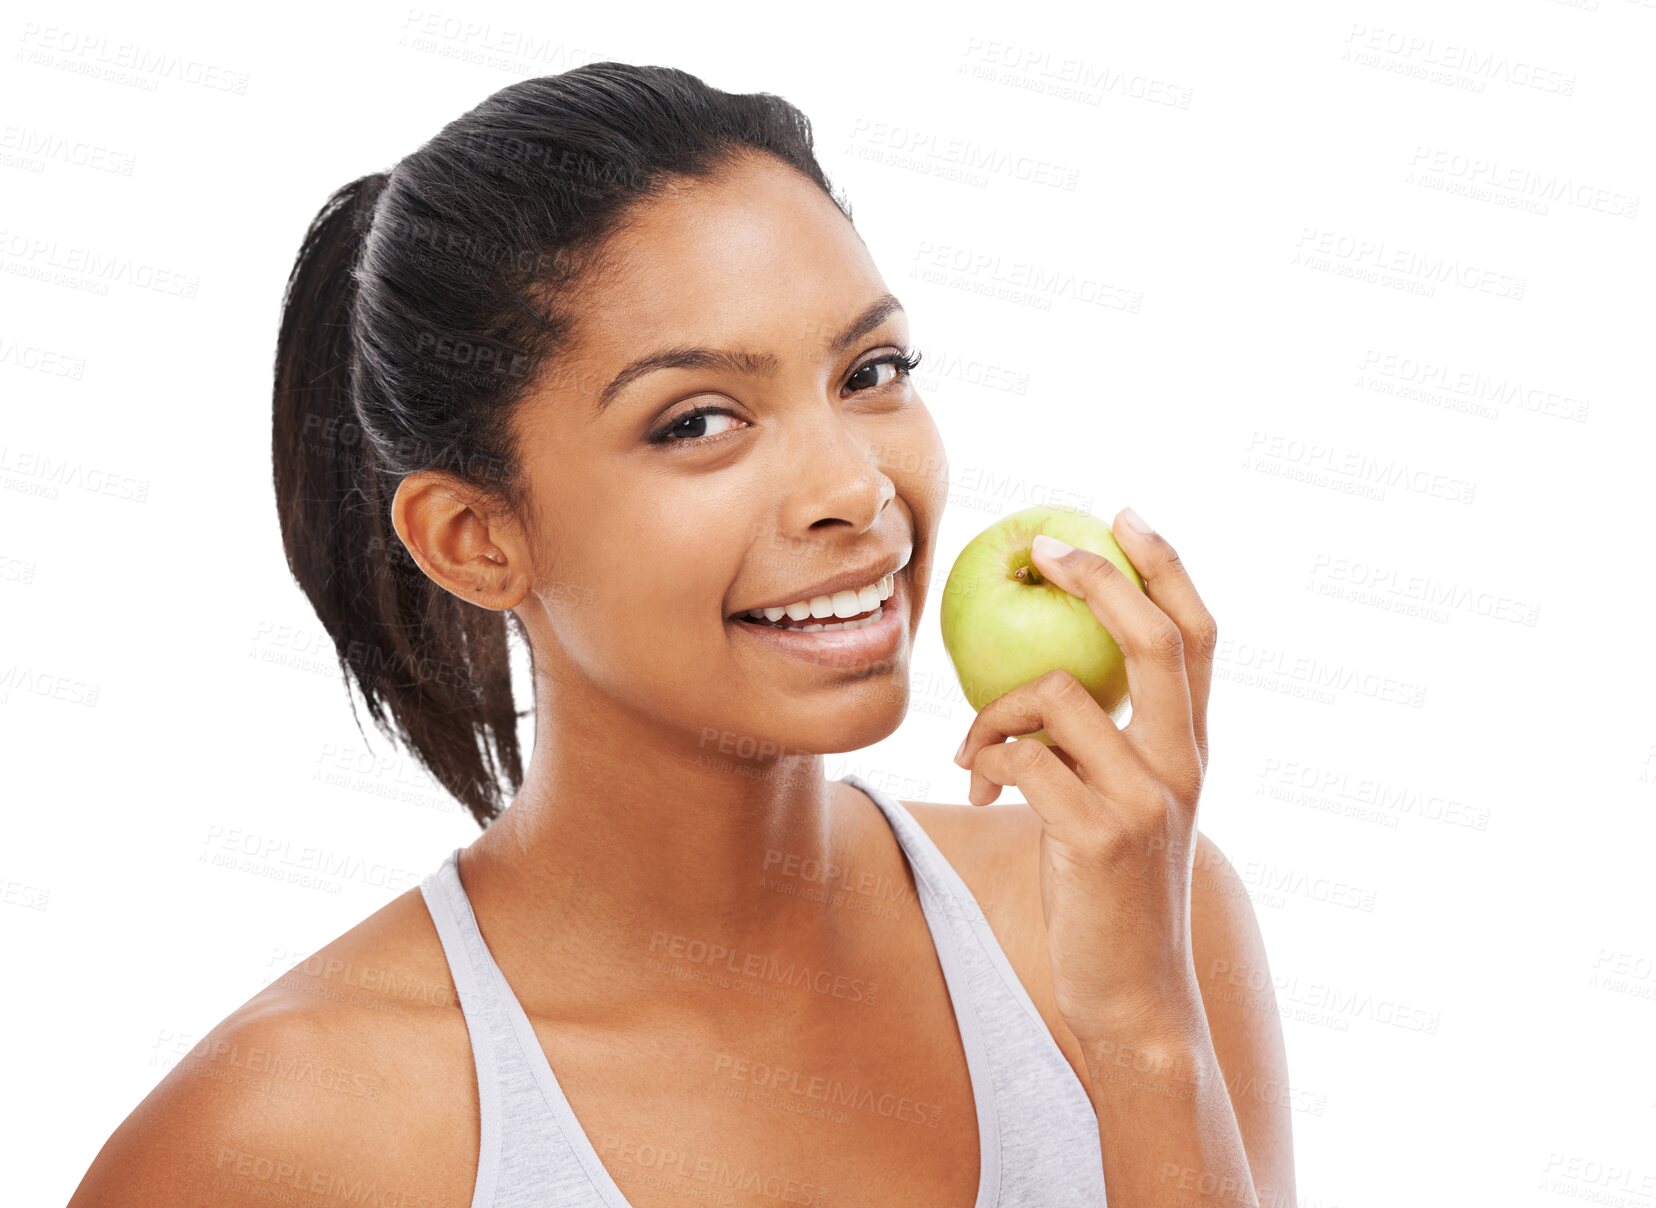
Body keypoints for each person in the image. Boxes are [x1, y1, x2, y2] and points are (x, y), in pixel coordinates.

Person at [69, 62, 1294, 1206]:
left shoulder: (1138, 922)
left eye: (871, 370)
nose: (856, 489)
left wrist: (1142, 1033)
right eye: (699, 419)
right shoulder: (301, 1128)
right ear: (472, 538)